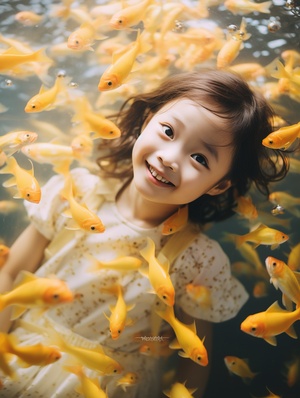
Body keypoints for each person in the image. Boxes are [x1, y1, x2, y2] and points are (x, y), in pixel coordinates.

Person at [0, 69, 289, 398]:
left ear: (219, 185)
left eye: (199, 157)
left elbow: (196, 357)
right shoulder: (75, 193)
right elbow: (9, 273)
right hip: (21, 358)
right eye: (168, 131)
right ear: (147, 119)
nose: (169, 158)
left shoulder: (198, 258)